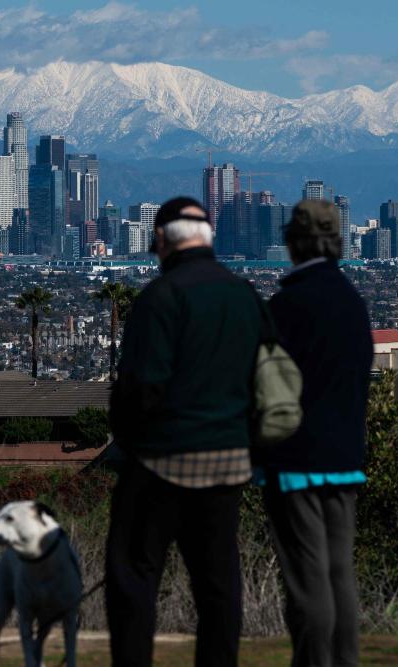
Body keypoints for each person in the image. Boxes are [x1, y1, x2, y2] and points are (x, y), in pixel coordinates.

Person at [106, 197, 263, 667]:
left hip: (162, 462)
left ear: (159, 242)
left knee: (133, 575)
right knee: (218, 583)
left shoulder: (161, 298)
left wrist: (132, 445)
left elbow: (137, 391)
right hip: (229, 463)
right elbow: (275, 381)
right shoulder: (246, 297)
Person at [256, 200, 373, 667]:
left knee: (307, 576)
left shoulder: (286, 306)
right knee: (339, 572)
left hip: (296, 461)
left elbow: (263, 382)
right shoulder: (353, 302)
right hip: (345, 458)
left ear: (292, 244)